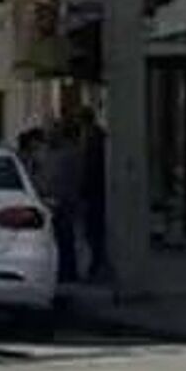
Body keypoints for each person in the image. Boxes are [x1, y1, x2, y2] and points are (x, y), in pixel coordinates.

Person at [44, 116, 83, 284]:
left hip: (65, 201)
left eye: (52, 133)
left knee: (65, 238)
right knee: (58, 239)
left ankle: (68, 272)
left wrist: (68, 198)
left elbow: (74, 178)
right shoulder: (50, 153)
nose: (49, 136)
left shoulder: (70, 153)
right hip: (52, 201)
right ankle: (61, 271)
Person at [77, 107, 109, 282]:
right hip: (95, 190)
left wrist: (83, 190)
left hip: (94, 191)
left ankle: (97, 265)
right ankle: (96, 264)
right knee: (93, 230)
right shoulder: (94, 136)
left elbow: (90, 167)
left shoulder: (93, 138)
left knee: (93, 230)